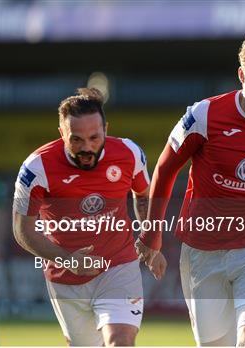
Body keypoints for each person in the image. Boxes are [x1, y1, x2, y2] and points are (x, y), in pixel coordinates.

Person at [135, 30, 245, 346]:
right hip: (202, 251)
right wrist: (152, 235)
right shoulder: (203, 116)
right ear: (241, 74)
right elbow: (165, 169)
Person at [12, 88, 164, 346]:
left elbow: (143, 195)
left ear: (106, 128)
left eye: (94, 137)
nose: (87, 147)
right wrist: (67, 259)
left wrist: (150, 238)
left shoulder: (129, 153)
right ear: (62, 133)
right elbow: (21, 229)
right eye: (76, 140)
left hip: (118, 267)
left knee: (120, 340)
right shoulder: (36, 168)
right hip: (65, 279)